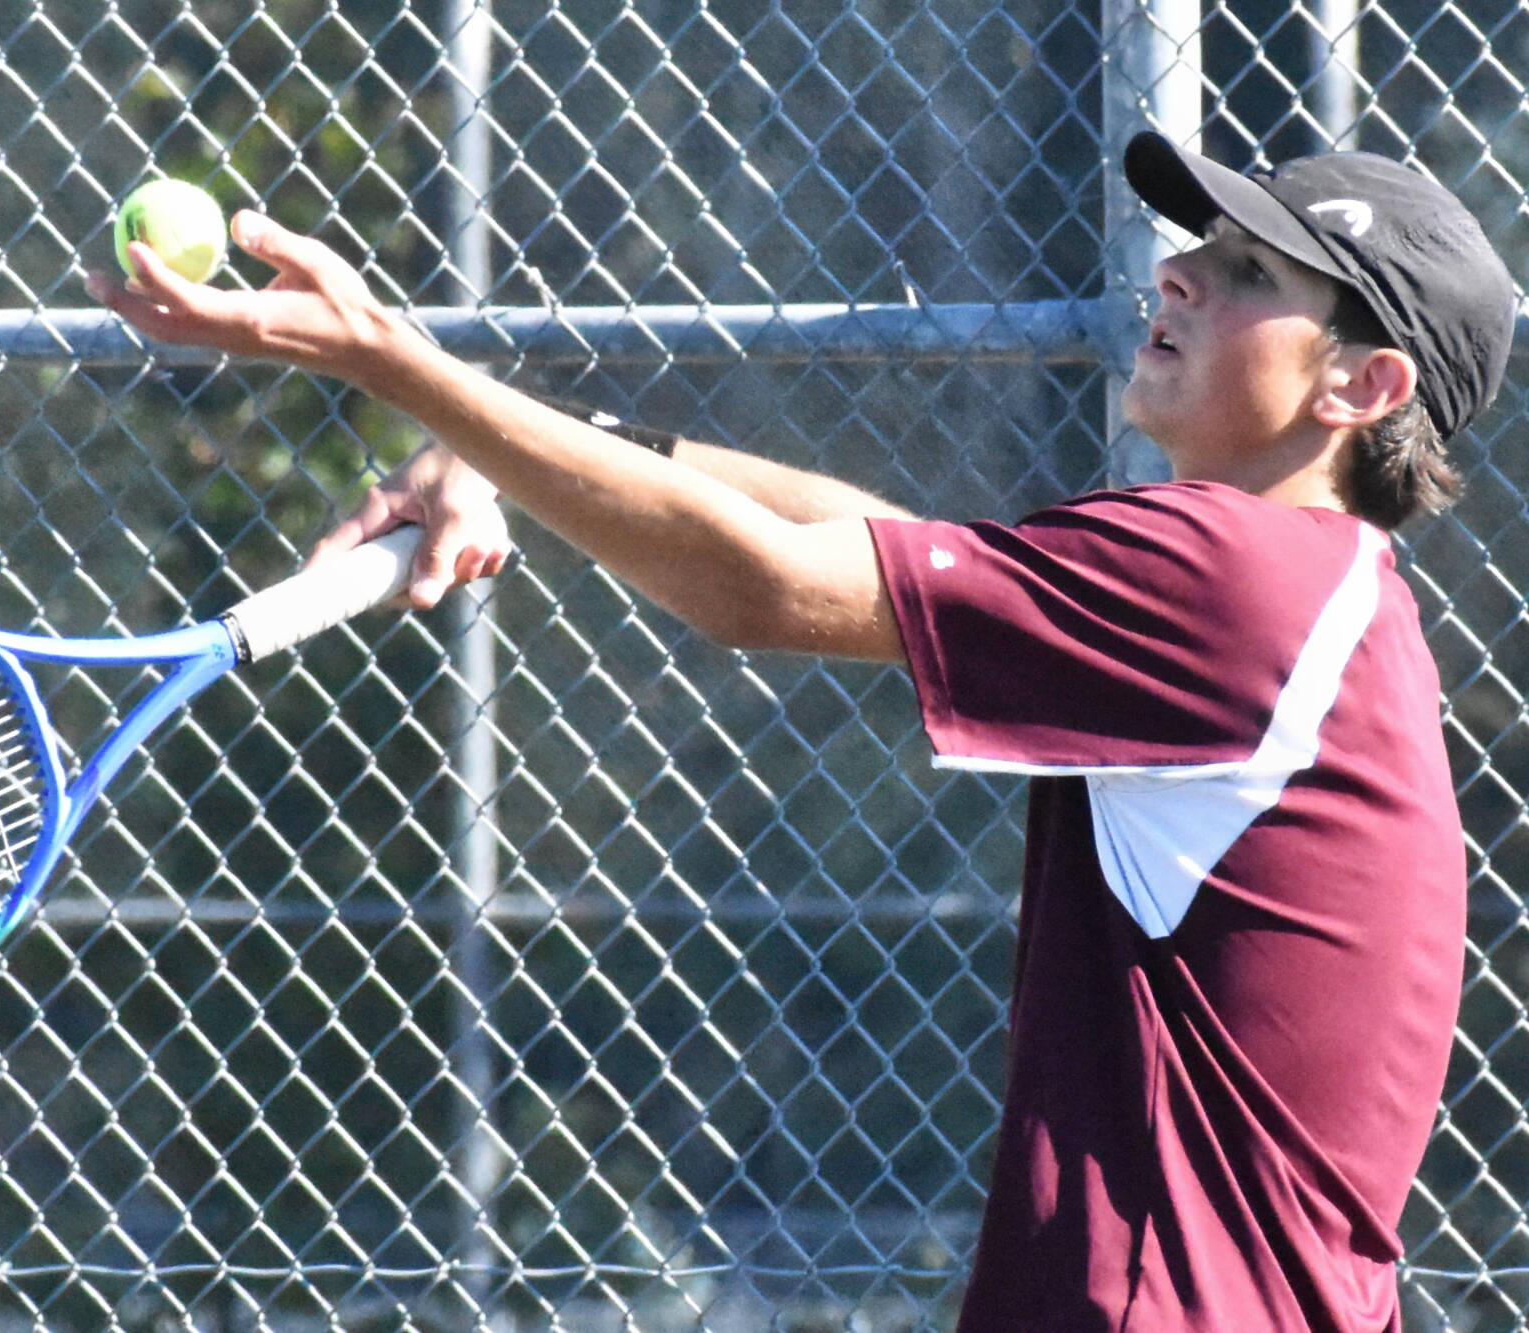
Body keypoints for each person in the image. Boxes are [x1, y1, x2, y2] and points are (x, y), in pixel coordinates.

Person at [89, 131, 1517, 1330]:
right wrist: (507, 447)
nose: (1180, 270)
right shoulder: (1317, 599)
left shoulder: (1238, 575)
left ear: (1362, 386)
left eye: (1253, 274)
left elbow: (767, 586)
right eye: (1203, 246)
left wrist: (391, 362)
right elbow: (899, 550)